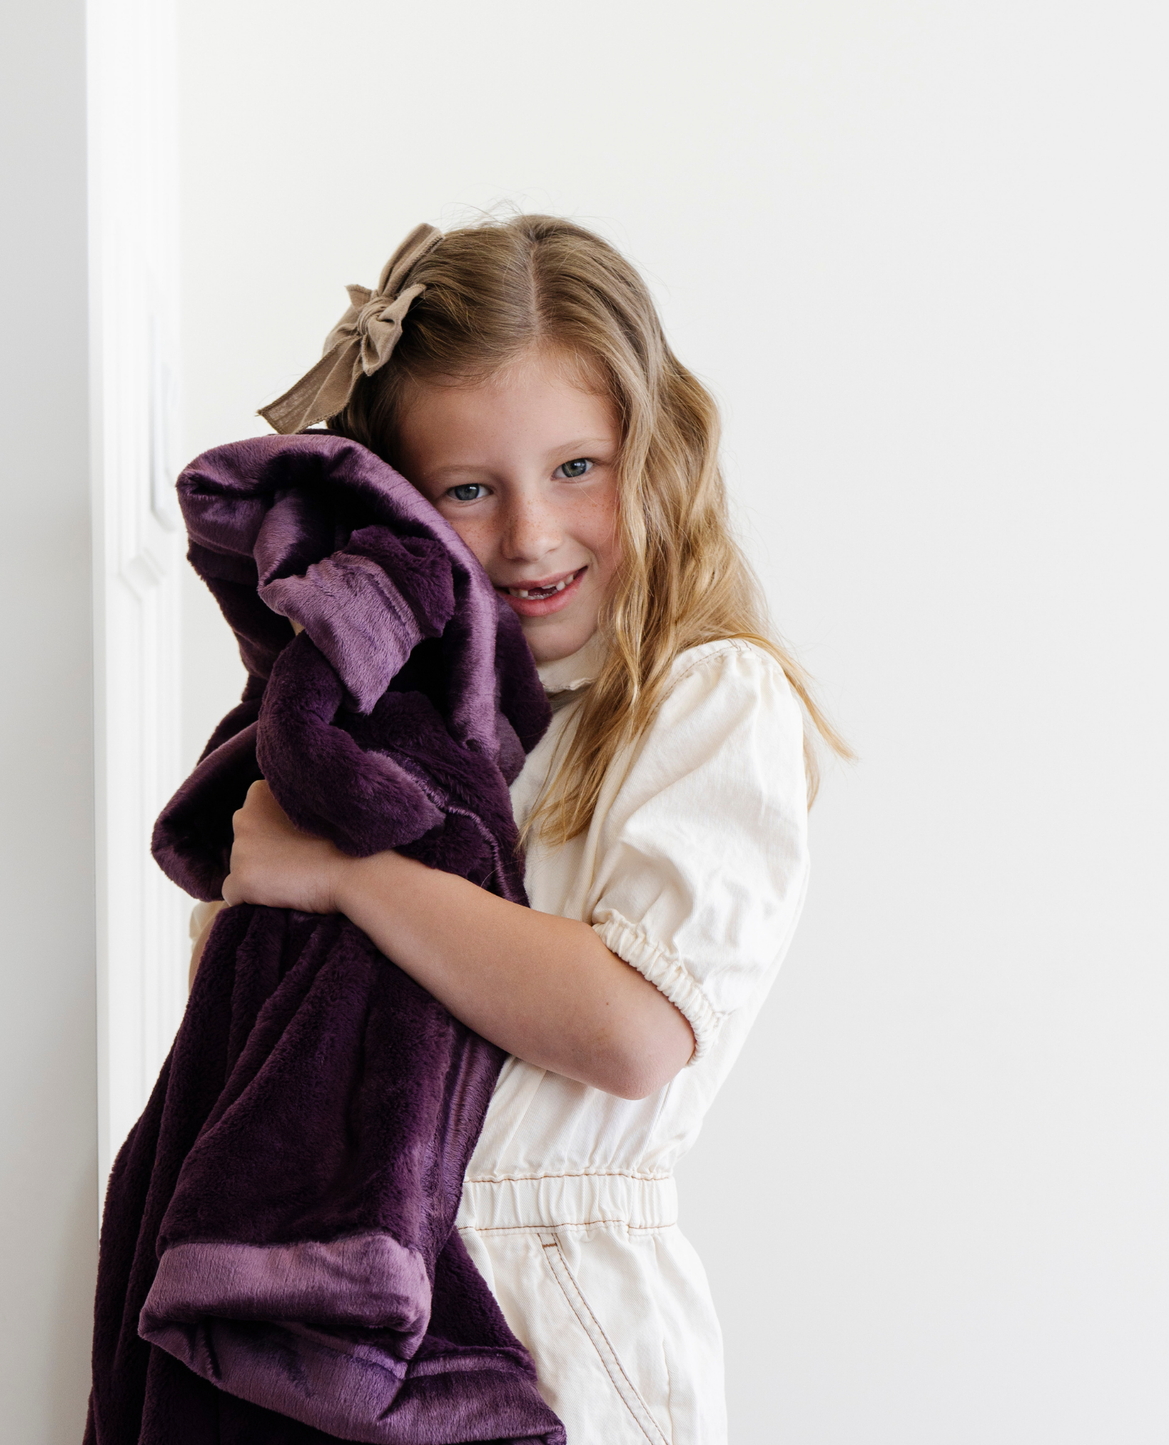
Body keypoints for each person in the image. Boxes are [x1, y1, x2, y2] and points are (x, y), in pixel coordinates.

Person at [201, 214, 849, 1444]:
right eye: (467, 489)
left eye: (574, 468)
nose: (528, 534)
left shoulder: (701, 700)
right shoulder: (387, 731)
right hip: (360, 1303)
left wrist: (350, 871)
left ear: (654, 454)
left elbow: (629, 1026)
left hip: (559, 1316)